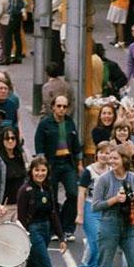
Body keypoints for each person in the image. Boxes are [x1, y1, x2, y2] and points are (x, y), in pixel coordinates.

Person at [7, 156, 74, 267]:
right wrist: (25, 239)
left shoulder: (48, 188)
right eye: (37, 170)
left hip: (45, 230)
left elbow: (53, 214)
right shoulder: (25, 190)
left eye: (43, 170)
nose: (40, 173)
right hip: (32, 232)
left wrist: (61, 236)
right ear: (31, 171)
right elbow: (21, 220)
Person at [35, 95, 82, 240]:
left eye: (64, 106)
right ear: (53, 107)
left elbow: (76, 145)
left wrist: (79, 164)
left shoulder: (69, 123)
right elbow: (39, 143)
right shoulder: (45, 123)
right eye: (59, 106)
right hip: (51, 164)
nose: (62, 109)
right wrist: (42, 164)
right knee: (52, 196)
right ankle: (55, 229)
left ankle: (68, 228)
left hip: (67, 162)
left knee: (73, 193)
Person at [73, 142, 116, 267]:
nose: (105, 156)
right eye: (102, 152)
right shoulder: (88, 171)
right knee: (98, 247)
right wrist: (80, 215)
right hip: (91, 210)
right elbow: (81, 193)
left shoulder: (113, 171)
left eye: (108, 153)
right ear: (96, 154)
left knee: (107, 249)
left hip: (107, 211)